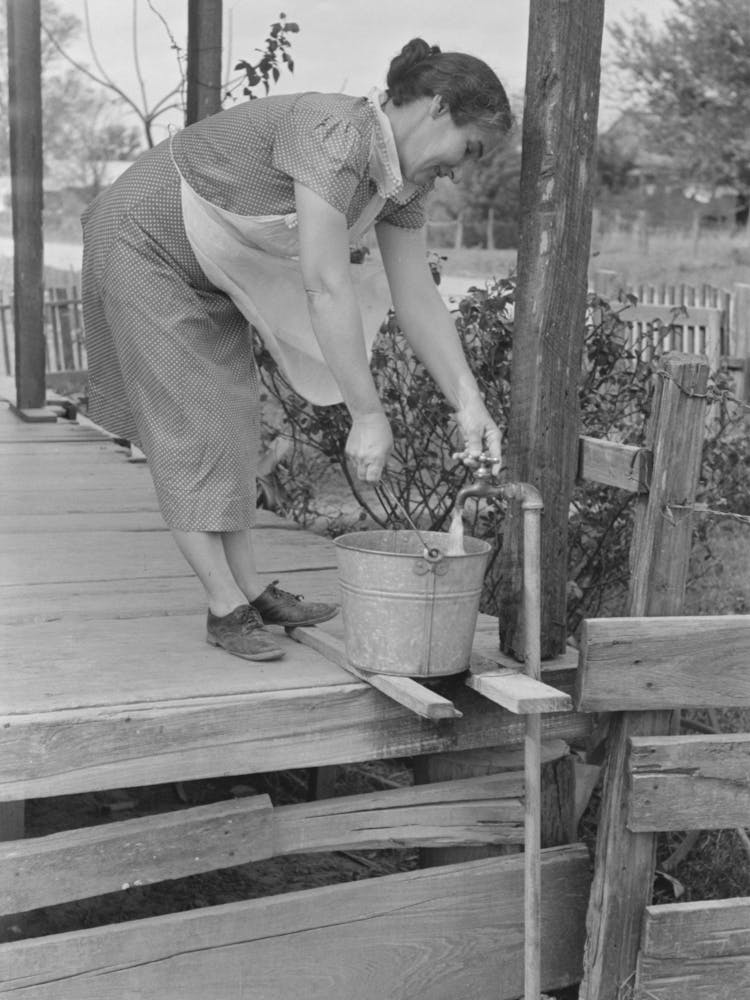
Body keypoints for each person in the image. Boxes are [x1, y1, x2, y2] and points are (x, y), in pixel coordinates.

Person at [81, 37, 511, 663]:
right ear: (438, 107)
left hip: (207, 267)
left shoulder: (399, 187)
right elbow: (325, 283)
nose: (460, 170)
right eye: (468, 149)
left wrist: (470, 405)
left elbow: (415, 296)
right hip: (141, 238)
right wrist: (368, 415)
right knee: (187, 425)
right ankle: (225, 606)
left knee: (229, 420)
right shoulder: (336, 134)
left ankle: (250, 592)